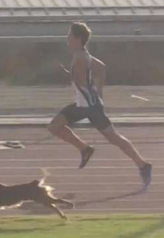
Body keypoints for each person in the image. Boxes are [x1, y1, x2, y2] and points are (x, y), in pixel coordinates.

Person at [48, 22, 152, 187]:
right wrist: (98, 91)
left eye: (69, 35)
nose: (66, 38)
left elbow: (82, 81)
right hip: (87, 105)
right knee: (112, 137)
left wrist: (72, 78)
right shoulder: (82, 54)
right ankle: (140, 164)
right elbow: (101, 68)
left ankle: (142, 165)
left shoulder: (80, 58)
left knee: (112, 137)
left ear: (78, 38)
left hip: (87, 107)